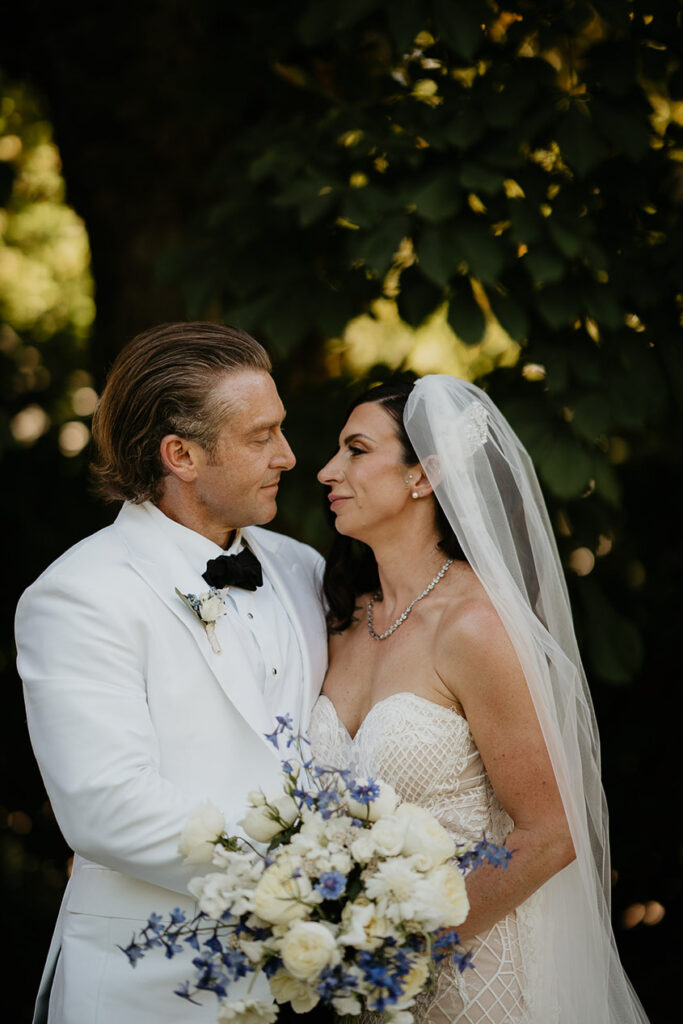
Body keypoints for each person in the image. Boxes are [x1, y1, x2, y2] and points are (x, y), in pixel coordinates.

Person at [310, 375, 649, 1024]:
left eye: (356, 450)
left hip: (474, 979)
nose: (328, 471)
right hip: (360, 989)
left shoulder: (475, 627)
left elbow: (552, 834)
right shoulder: (346, 621)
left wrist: (400, 950)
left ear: (422, 476)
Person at [15, 322, 328, 1024]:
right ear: (180, 454)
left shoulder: (303, 571)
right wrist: (317, 878)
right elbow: (108, 810)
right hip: (147, 986)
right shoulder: (78, 594)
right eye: (260, 437)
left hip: (305, 982)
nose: (288, 455)